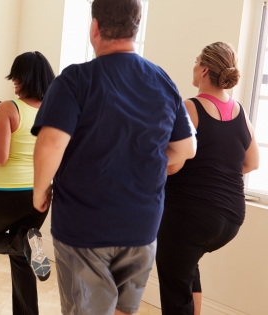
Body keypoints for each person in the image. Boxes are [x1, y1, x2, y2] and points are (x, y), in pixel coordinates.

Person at [30, 0, 197, 314]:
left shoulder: (75, 79)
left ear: (95, 27)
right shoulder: (163, 81)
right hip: (142, 227)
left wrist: (40, 192)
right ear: (136, 27)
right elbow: (187, 149)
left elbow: (51, 144)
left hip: (85, 227)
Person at [156, 42, 259, 315]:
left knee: (174, 286)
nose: (193, 66)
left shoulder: (190, 107)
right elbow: (252, 162)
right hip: (231, 217)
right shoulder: (241, 112)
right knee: (189, 266)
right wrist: (217, 172)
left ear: (203, 69)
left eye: (195, 61)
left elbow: (172, 164)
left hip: (189, 217)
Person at [0, 51, 55, 314]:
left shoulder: (9, 108)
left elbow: (0, 157)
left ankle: (23, 241)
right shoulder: (54, 110)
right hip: (40, 194)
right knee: (22, 259)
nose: (14, 81)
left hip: (4, 194)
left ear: (26, 77)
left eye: (17, 75)